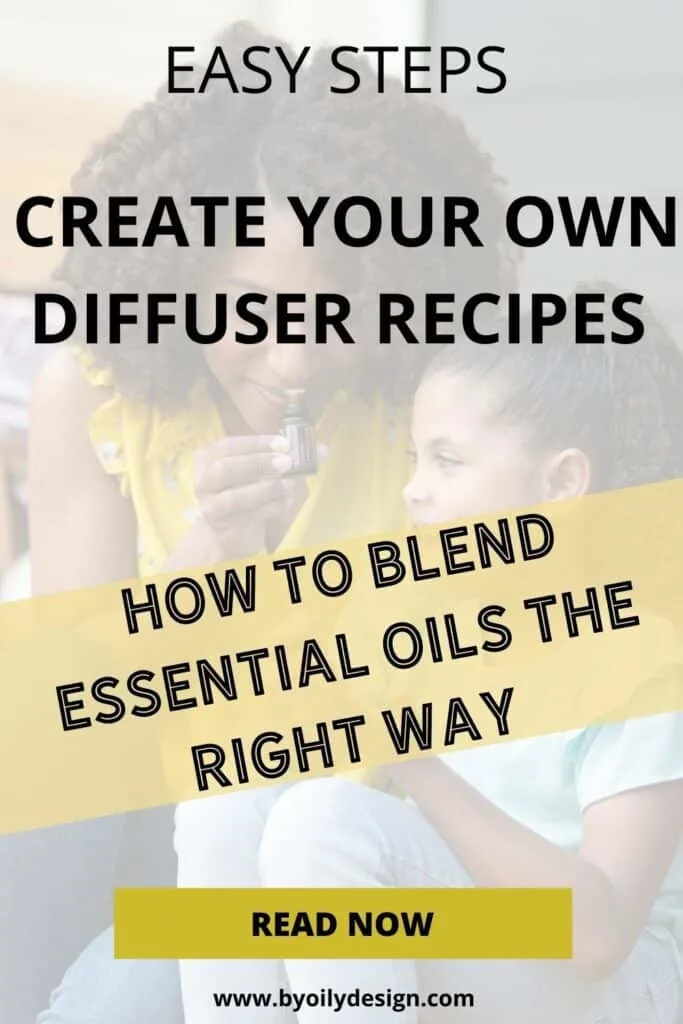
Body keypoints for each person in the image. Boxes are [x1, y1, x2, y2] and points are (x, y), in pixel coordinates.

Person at [28, 20, 512, 1024]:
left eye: (333, 311)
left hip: (372, 830)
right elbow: (72, 721)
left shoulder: (437, 395)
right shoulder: (98, 394)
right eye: (247, 308)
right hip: (167, 816)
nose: (289, 361)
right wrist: (200, 572)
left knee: (131, 993)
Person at [175, 296, 683, 1022]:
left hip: (615, 987)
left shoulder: (641, 658)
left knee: (329, 821)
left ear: (561, 485)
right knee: (226, 800)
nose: (414, 488)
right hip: (477, 946)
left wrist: (408, 754)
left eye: (447, 461)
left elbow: (597, 937)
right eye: (415, 459)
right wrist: (245, 545)